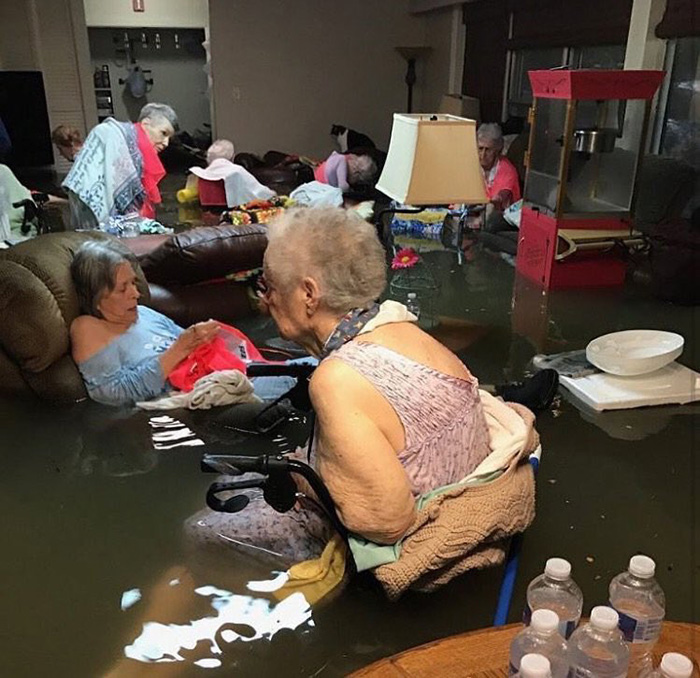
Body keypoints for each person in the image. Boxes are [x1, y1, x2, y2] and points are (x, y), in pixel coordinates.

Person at [63, 102, 178, 228]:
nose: (166, 143)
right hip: (94, 220)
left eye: (169, 138)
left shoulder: (141, 156)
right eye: (163, 133)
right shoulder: (109, 134)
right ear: (145, 124)